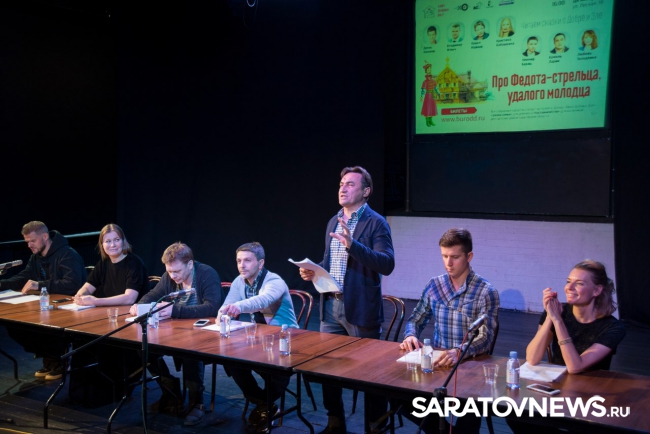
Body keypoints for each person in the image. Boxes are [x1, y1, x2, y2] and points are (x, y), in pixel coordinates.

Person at [299, 165, 395, 434]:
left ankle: (376, 426)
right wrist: (314, 270)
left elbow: (387, 264)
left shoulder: (376, 222)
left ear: (366, 191)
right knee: (328, 369)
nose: (343, 188)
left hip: (361, 308)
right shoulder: (334, 220)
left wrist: (354, 245)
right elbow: (332, 264)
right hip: (331, 305)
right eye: (341, 183)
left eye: (350, 184)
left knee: (371, 372)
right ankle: (335, 422)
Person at [399, 228, 500, 434]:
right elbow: (415, 319)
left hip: (470, 367)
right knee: (397, 396)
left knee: (469, 411)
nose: (448, 263)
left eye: (455, 257)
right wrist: (410, 335)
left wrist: (460, 351)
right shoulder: (434, 285)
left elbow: (486, 338)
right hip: (437, 365)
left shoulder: (485, 291)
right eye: (444, 256)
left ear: (469, 257)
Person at [507, 259, 625, 434]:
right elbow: (532, 357)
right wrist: (550, 317)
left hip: (591, 396)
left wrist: (558, 321)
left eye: (579, 284)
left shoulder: (613, 328)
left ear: (597, 290)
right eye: (568, 281)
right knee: (516, 415)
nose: (569, 288)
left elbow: (575, 366)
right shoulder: (557, 312)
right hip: (557, 388)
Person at [130, 241, 223, 426]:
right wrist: (138, 306)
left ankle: (197, 403)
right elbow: (153, 295)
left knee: (189, 350)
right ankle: (171, 393)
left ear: (190, 264)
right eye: (169, 271)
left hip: (204, 332)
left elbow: (213, 307)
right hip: (177, 330)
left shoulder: (206, 273)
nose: (173, 276)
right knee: (143, 347)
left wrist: (175, 310)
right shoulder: (169, 277)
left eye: (177, 271)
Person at [218, 242, 298, 434]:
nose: (242, 265)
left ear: (260, 263)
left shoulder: (274, 281)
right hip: (260, 339)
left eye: (247, 260)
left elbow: (263, 300)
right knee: (230, 359)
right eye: (239, 261)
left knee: (276, 370)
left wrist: (238, 307)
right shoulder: (239, 281)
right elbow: (226, 306)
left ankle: (265, 405)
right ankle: (264, 404)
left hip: (287, 339)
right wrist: (222, 315)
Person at [1, 221, 87, 381]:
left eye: (32, 241)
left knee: (45, 321)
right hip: (47, 305)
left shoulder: (67, 254)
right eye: (27, 242)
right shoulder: (36, 257)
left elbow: (72, 284)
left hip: (69, 306)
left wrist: (40, 285)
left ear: (45, 236)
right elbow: (24, 277)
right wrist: (2, 284)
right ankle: (51, 359)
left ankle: (59, 361)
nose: (29, 245)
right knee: (15, 324)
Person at [73, 223, 149, 306]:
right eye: (108, 241)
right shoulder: (103, 263)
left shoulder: (134, 263)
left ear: (123, 241)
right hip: (111, 310)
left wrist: (95, 301)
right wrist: (80, 296)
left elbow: (129, 299)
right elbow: (88, 288)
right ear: (102, 245)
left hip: (133, 311)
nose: (113, 245)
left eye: (117, 240)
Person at [420, 61, 439, 127]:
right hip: (428, 96)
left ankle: (431, 121)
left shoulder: (433, 81)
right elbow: (423, 89)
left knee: (432, 108)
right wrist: (421, 96)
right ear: (426, 71)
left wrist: (438, 93)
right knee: (427, 108)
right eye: (428, 69)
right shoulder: (425, 82)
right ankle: (427, 121)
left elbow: (435, 88)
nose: (429, 70)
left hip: (432, 95)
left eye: (430, 69)